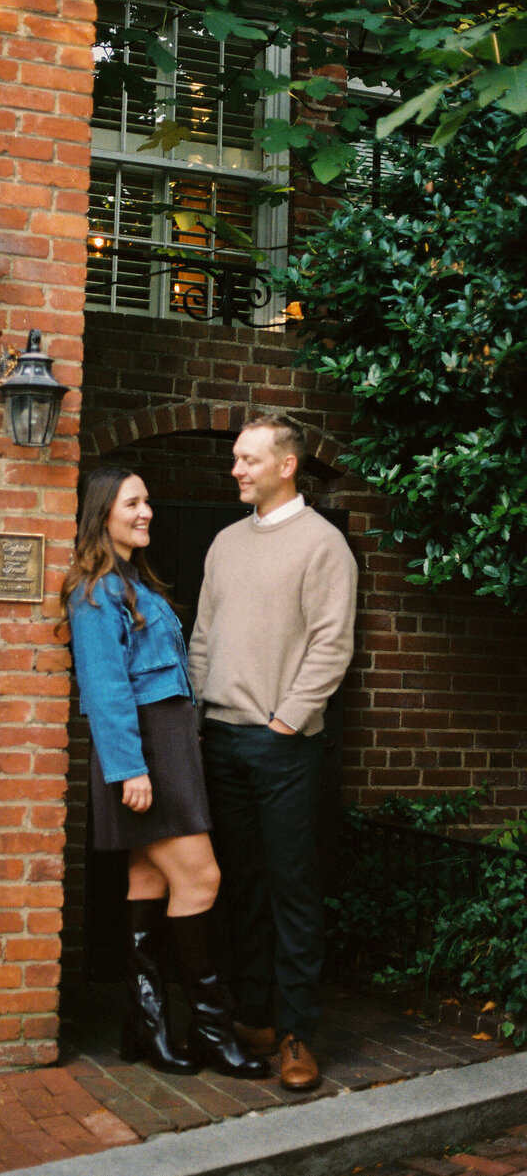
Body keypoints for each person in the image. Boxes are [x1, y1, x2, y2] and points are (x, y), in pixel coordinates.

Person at [61, 466, 266, 1079]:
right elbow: (105, 687)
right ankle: (209, 1029)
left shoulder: (133, 583)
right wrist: (130, 768)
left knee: (150, 879)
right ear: (104, 513)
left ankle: (143, 1024)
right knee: (202, 878)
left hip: (167, 743)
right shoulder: (95, 591)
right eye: (134, 502)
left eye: (148, 500)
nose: (147, 511)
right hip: (144, 749)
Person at [188, 413, 358, 1092]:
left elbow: (331, 643)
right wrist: (203, 708)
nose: (236, 468)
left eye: (248, 458)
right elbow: (203, 633)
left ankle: (296, 1033)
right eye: (236, 458)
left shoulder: (323, 546)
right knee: (244, 884)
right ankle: (254, 1016)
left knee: (292, 888)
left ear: (286, 464)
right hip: (222, 737)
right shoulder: (226, 542)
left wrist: (287, 719)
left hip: (282, 744)